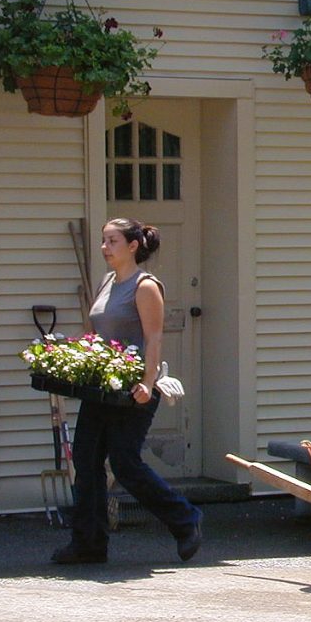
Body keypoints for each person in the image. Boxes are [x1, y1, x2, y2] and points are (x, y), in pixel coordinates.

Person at [52, 217, 203, 564]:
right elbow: (98, 331)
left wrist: (148, 384)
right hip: (102, 387)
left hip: (135, 388)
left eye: (112, 241)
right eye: (103, 241)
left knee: (124, 463)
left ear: (133, 246)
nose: (105, 248)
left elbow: (154, 337)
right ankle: (88, 543)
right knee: (87, 462)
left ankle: (185, 519)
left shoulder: (145, 286)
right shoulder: (107, 282)